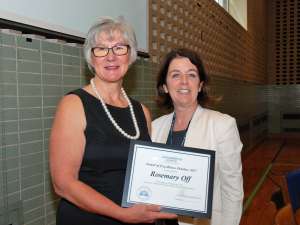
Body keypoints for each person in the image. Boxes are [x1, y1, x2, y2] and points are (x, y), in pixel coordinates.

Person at [49, 17, 177, 225]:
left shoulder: (141, 112)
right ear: (91, 58)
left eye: (119, 48)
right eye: (101, 49)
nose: (111, 57)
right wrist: (123, 214)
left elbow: (146, 174)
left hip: (137, 219)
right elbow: (63, 183)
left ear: (131, 55)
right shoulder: (74, 104)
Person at [151, 48, 244, 225]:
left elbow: (232, 191)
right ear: (164, 86)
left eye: (192, 75)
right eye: (176, 75)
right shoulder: (155, 128)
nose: (184, 82)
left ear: (200, 85)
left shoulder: (222, 125)